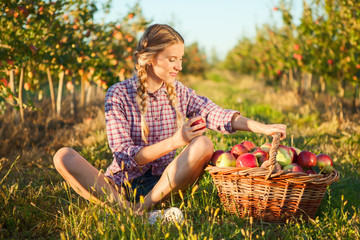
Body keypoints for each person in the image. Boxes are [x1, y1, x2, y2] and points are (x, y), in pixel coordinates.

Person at [53, 23, 286, 224]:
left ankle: (139, 211)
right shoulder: (119, 94)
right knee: (63, 156)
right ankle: (132, 212)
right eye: (172, 59)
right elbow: (125, 156)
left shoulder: (179, 92)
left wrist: (262, 127)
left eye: (181, 59)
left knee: (204, 144)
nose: (179, 66)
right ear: (149, 59)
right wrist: (177, 140)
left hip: (165, 185)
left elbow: (216, 113)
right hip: (121, 184)